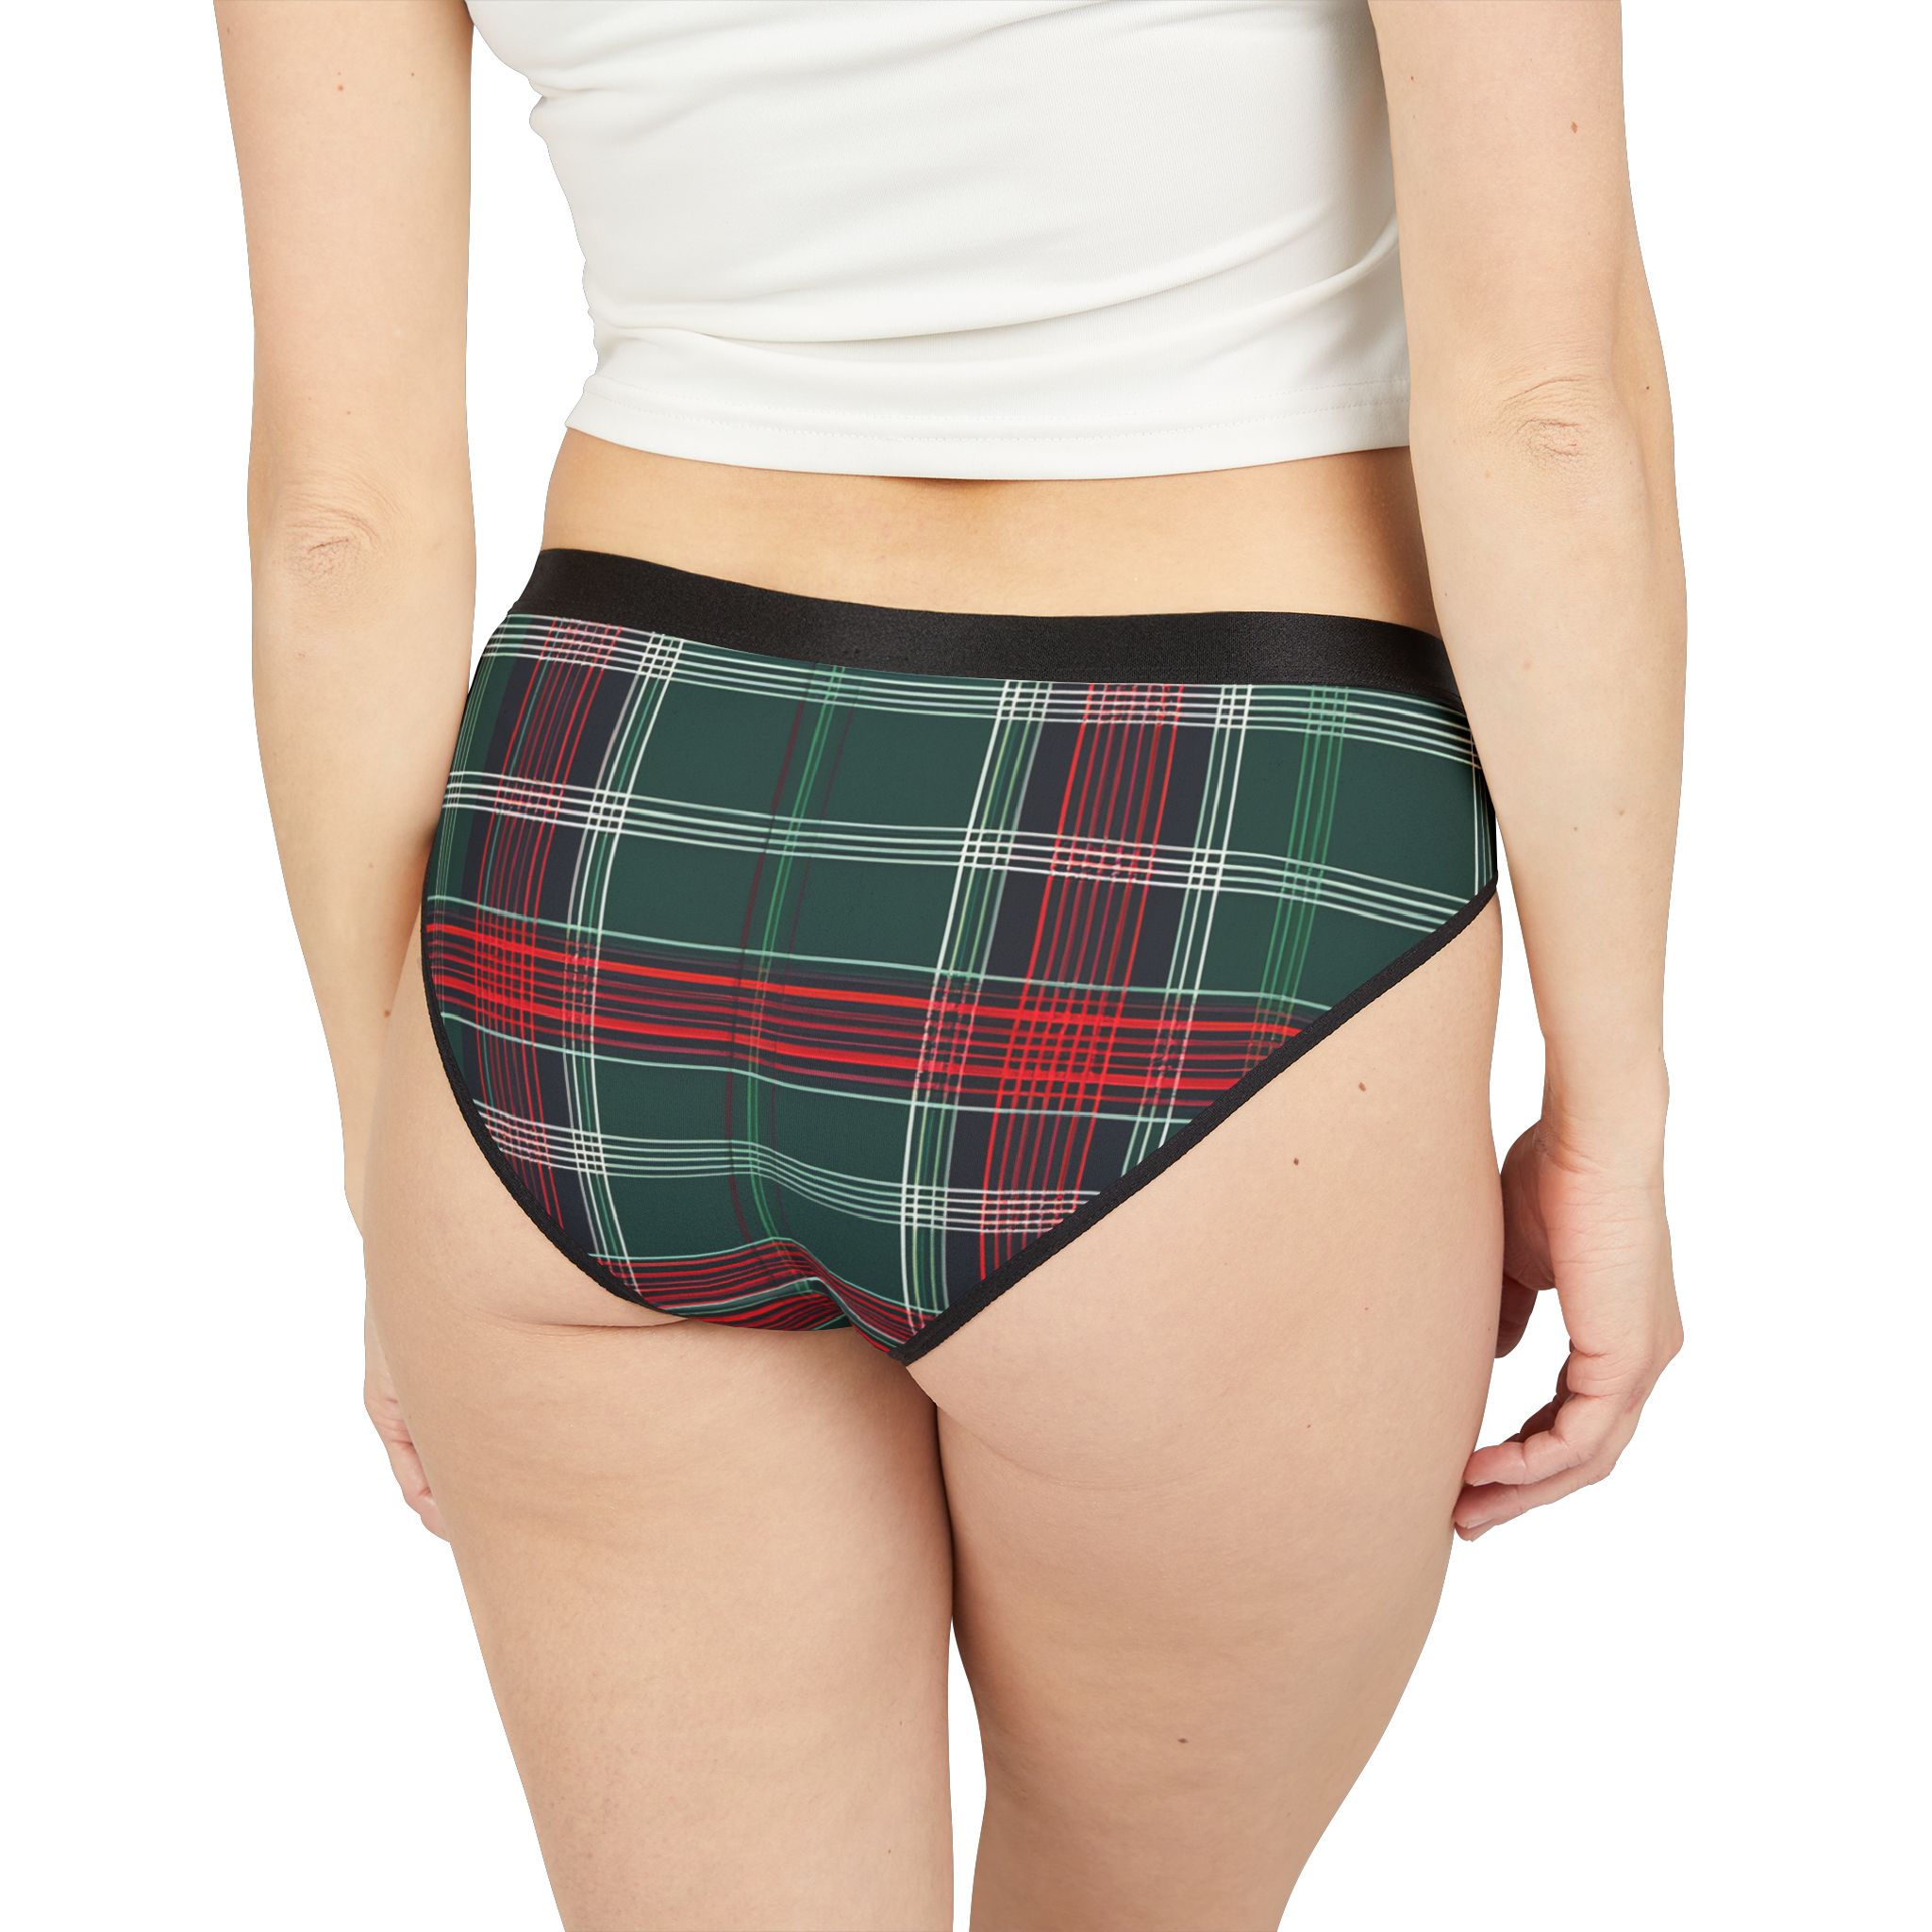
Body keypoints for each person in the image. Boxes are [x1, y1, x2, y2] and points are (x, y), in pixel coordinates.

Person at [216, 2, 1684, 1925]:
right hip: (1205, 857)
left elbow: (340, 522)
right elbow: (1547, 412)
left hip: (603, 866)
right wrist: (1609, 1113)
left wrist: (393, 1160)